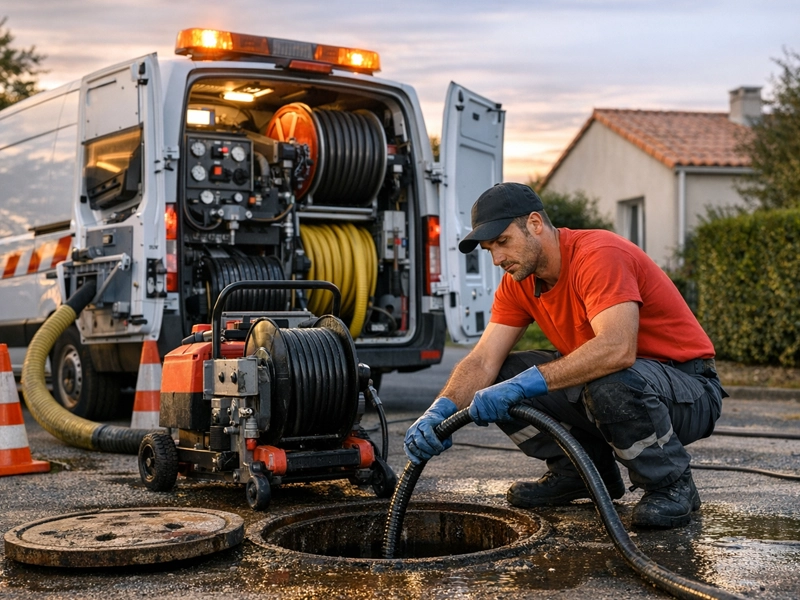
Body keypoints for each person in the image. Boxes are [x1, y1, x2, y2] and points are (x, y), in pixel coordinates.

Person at [404, 182, 727, 529]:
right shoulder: (518, 283)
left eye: (503, 241)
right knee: (500, 376)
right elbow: (483, 360)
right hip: (614, 384)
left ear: (534, 224)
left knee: (607, 381)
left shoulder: (598, 254)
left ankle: (671, 485)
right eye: (489, 249)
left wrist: (525, 384)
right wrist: (440, 410)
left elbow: (617, 349)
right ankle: (580, 473)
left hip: (688, 388)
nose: (497, 259)